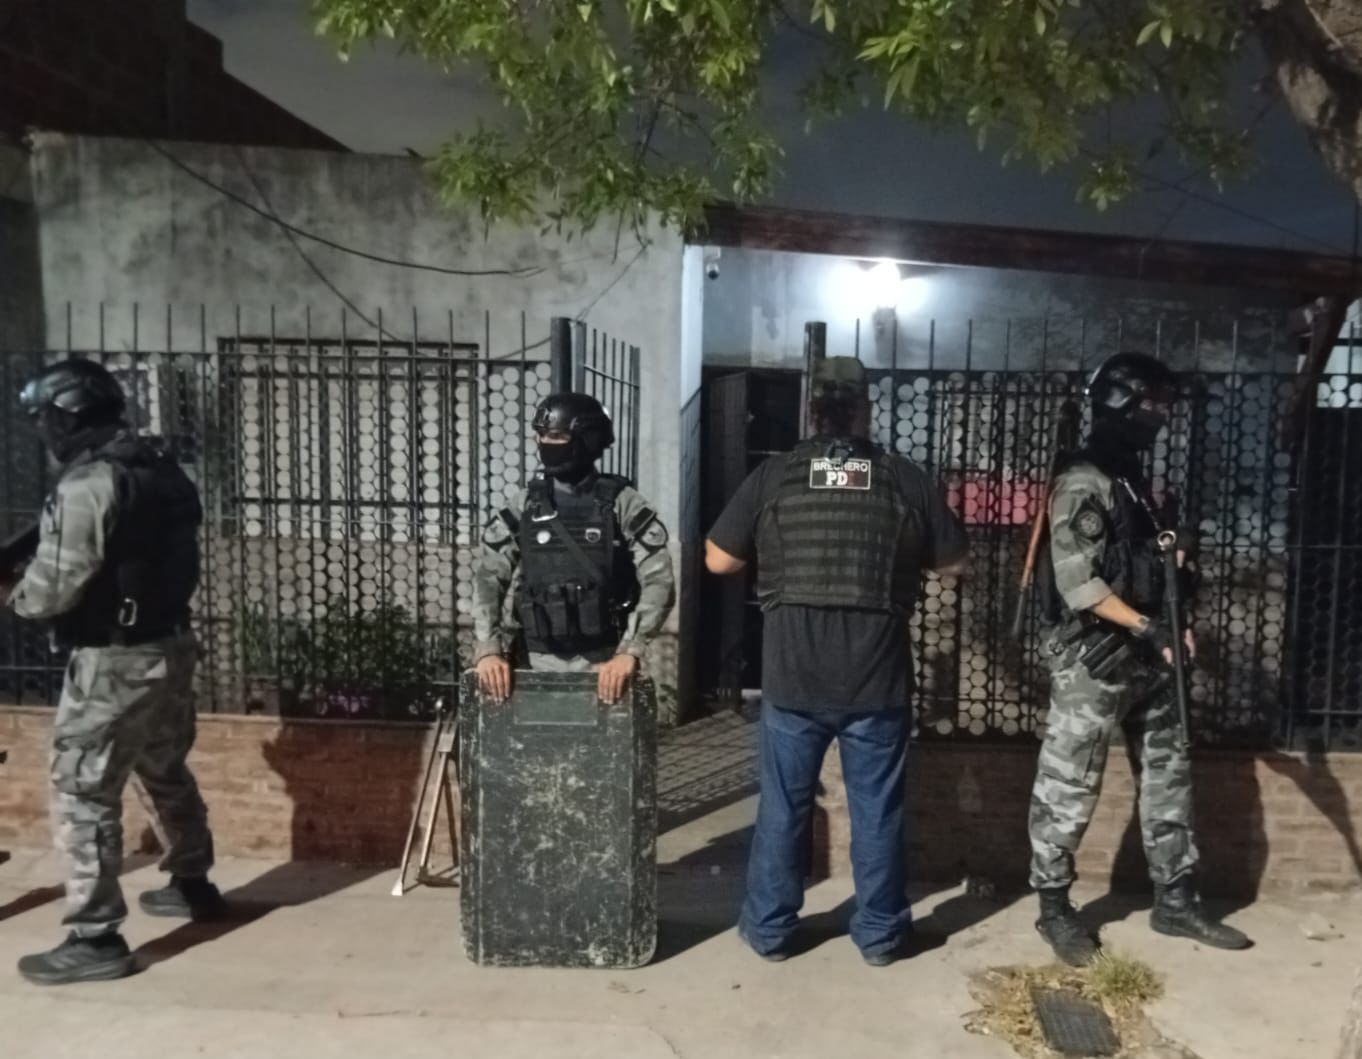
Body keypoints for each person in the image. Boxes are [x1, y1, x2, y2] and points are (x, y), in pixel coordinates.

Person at [704, 356, 969, 966]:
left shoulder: (775, 476)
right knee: (877, 812)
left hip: (792, 678)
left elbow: (719, 559)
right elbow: (956, 563)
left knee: (783, 809)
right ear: (865, 410)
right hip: (877, 680)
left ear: (812, 409)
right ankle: (879, 937)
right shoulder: (904, 479)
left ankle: (770, 931)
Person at [1, 358, 226, 987]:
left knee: (82, 791)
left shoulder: (90, 482)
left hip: (113, 658)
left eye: (45, 418)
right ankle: (192, 883)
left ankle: (95, 937)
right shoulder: (158, 467)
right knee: (162, 767)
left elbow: (54, 588)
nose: (43, 431)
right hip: (170, 644)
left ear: (68, 414)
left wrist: (14, 593)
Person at [1028, 351, 1251, 966]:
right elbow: (1080, 585)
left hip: (1149, 656)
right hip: (1095, 659)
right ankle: (1054, 908)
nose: (1160, 416)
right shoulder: (1084, 481)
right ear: (1119, 403)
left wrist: (1175, 619)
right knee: (1069, 785)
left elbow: (1148, 562)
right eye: (1152, 404)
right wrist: (1152, 628)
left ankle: (1175, 901)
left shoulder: (1130, 479)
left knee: (1169, 779)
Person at [471, 392, 674, 705]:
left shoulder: (623, 504)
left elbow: (659, 580)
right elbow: (488, 575)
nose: (544, 443)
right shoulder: (525, 504)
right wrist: (488, 649)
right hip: (529, 668)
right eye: (541, 435)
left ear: (587, 439)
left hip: (605, 670)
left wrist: (629, 651)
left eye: (556, 436)